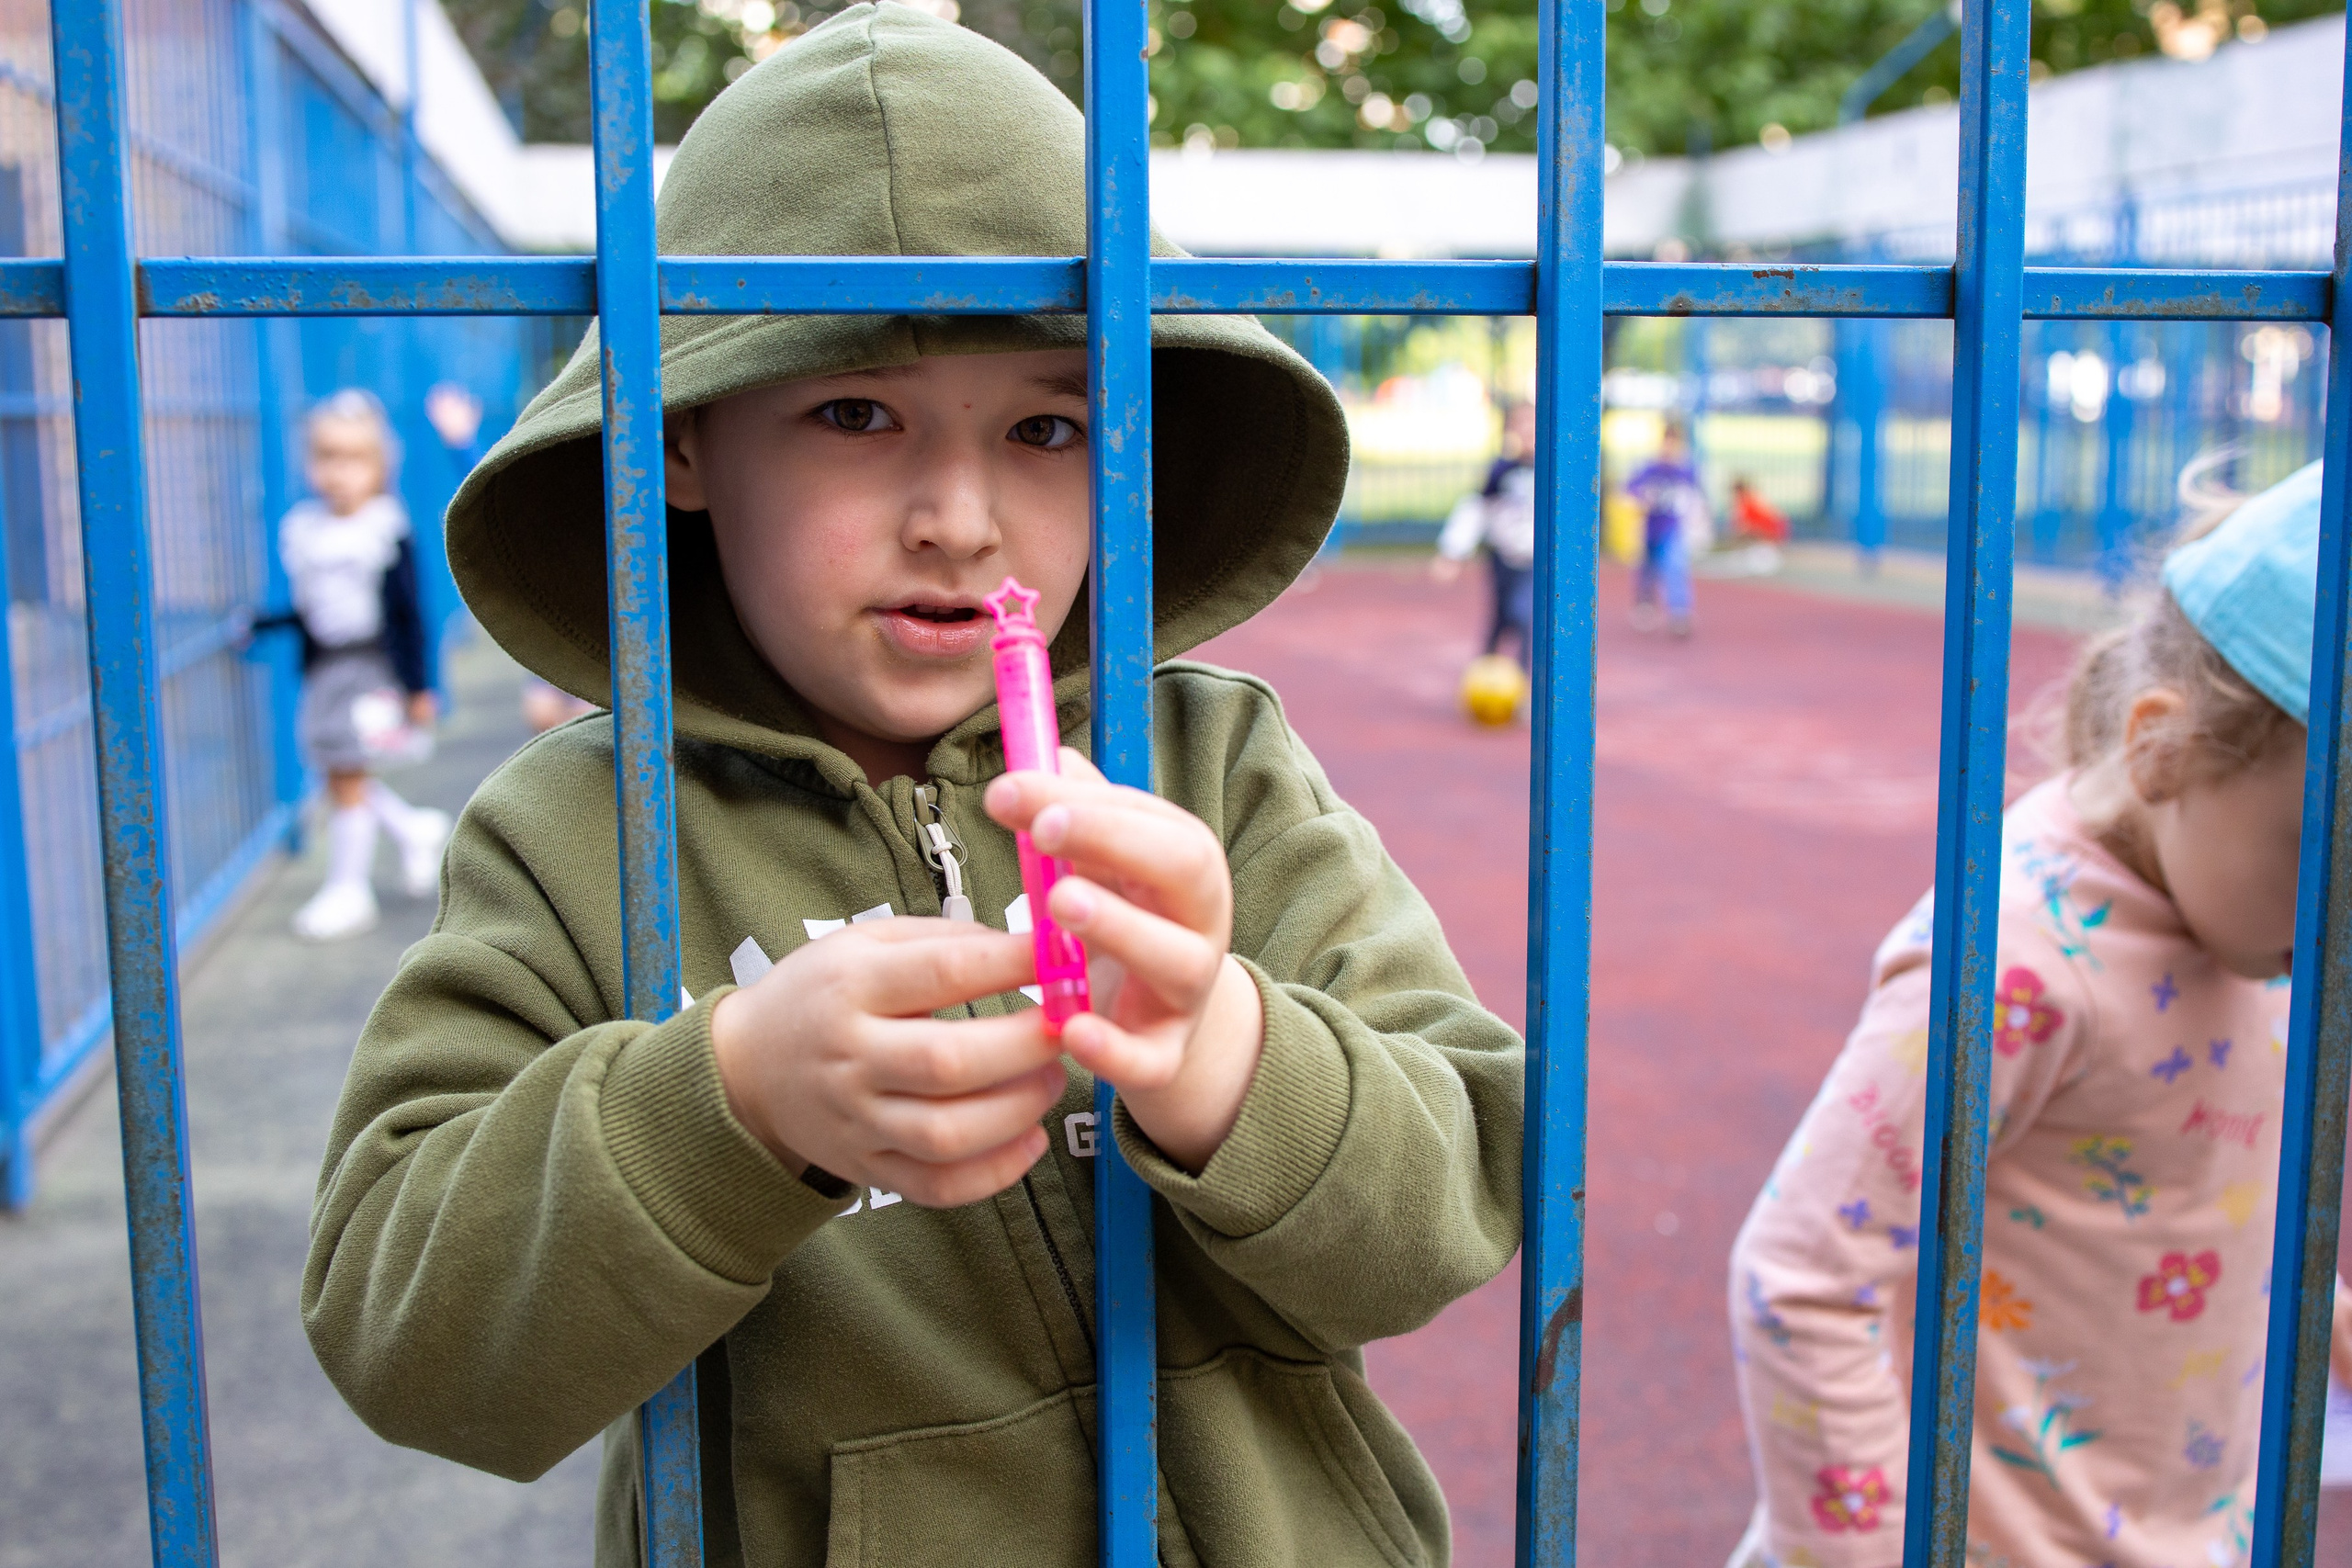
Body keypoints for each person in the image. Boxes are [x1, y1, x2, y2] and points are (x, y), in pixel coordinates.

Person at [300, 13, 1522, 1567]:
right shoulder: (575, 838)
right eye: (858, 414)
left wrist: (1227, 1052)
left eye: (1048, 426)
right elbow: (407, 1337)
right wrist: (726, 1105)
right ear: (683, 439)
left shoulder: (1210, 765)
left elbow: (1460, 1200)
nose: (961, 518)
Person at [1724, 459, 2352, 1568]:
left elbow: (2204, 1190)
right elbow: (1803, 1272)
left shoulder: (2255, 930)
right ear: (2161, 747)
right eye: (2326, 861)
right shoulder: (2018, 957)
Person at [272, 389, 448, 941]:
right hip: (327, 668)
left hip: (372, 666)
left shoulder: (384, 528)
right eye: (326, 456)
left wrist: (421, 685)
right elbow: (310, 611)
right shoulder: (305, 528)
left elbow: (409, 613)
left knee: (348, 770)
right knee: (338, 771)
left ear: (379, 467)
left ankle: (349, 889)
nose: (338, 472)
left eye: (353, 458)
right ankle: (412, 828)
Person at [1433, 398, 1538, 668]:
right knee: (1501, 615)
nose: (1527, 431)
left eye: (1533, 424)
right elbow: (1475, 509)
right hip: (1503, 557)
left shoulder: (1553, 472)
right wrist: (1453, 551)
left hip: (1535, 561)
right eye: (1520, 424)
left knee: (1526, 614)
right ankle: (1485, 670)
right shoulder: (1501, 471)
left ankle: (1525, 681)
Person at [1624, 420, 1709, 636]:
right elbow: (1630, 488)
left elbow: (1697, 496)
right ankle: (1645, 603)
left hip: (1672, 528)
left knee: (1675, 567)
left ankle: (1679, 613)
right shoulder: (1652, 468)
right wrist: (1644, 497)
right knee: (1647, 570)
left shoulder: (1685, 470)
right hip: (1651, 527)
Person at [1729, 475, 1791, 545]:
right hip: (1774, 530)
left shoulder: (1747, 501)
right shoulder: (1751, 497)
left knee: (1743, 531)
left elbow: (1744, 525)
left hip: (1773, 532)